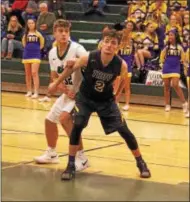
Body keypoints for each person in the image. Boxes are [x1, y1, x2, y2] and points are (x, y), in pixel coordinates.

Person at [49, 29, 151, 180]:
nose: (109, 45)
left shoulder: (120, 64)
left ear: (118, 46)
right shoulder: (89, 57)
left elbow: (123, 80)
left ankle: (141, 162)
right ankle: (71, 164)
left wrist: (117, 95)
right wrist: (56, 83)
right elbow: (70, 68)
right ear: (102, 43)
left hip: (106, 101)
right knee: (77, 125)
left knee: (124, 130)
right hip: (85, 98)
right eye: (107, 42)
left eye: (113, 43)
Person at [34, 19, 89, 171]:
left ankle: (81, 158)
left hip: (81, 94)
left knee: (65, 119)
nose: (64, 34)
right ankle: (51, 154)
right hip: (67, 93)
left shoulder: (77, 48)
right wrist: (62, 89)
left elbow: (89, 58)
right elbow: (54, 76)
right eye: (61, 31)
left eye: (66, 31)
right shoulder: (52, 52)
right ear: (55, 34)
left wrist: (78, 60)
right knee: (49, 120)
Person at [160, 29, 188, 112]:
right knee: (166, 87)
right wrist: (162, 64)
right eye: (169, 35)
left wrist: (184, 64)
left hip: (176, 68)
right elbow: (162, 56)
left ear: (175, 36)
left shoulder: (179, 47)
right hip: (166, 67)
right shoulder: (166, 47)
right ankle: (167, 105)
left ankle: (184, 103)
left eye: (171, 35)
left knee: (175, 85)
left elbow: (184, 58)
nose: (170, 36)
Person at [22, 19, 44, 98]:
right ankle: (29, 91)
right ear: (27, 25)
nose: (30, 24)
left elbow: (42, 44)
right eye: (29, 23)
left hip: (36, 55)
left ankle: (36, 92)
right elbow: (24, 44)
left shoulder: (38, 34)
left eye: (32, 23)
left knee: (34, 73)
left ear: (35, 24)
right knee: (27, 74)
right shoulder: (25, 34)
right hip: (27, 54)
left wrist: (36, 49)